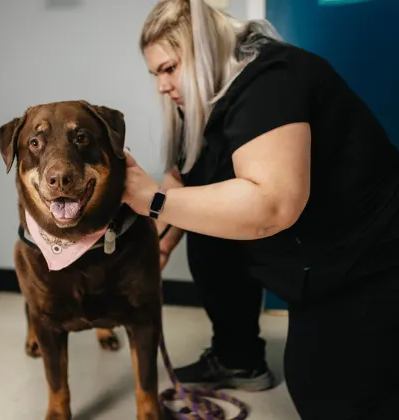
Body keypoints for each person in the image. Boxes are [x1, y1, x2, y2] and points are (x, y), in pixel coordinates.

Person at [122, 0, 399, 419]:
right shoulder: (200, 105)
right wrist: (153, 255)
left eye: (169, 68)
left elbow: (271, 205)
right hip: (312, 257)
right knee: (202, 223)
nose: (161, 85)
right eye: (155, 74)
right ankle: (237, 356)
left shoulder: (271, 79)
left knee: (325, 392)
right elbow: (182, 180)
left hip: (371, 258)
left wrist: (153, 200)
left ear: (206, 51)